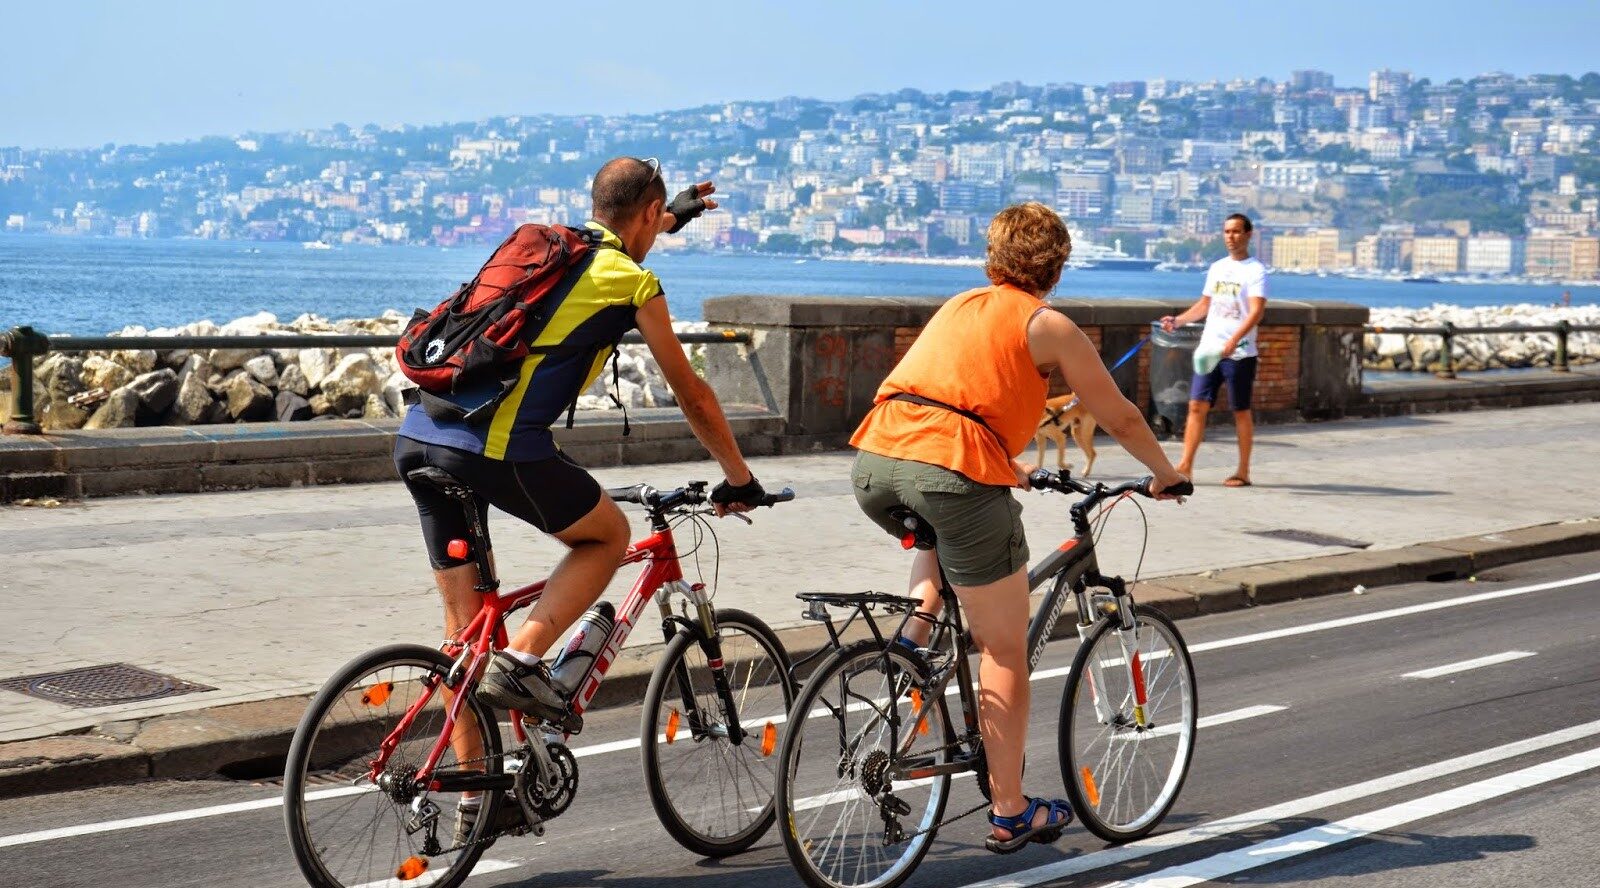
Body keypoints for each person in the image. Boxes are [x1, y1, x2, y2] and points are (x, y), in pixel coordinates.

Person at [393, 157, 769, 840]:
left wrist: (670, 214)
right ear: (649, 215)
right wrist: (739, 476)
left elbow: (617, 236)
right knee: (607, 536)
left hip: (421, 433)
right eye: (659, 221)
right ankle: (527, 659)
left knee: (461, 639)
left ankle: (480, 802)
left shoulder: (552, 249)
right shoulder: (634, 280)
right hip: (493, 445)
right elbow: (691, 391)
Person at [848, 202, 1188, 853]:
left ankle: (912, 649)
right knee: (1003, 647)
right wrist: (1165, 473)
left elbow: (949, 397)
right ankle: (1009, 810)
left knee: (943, 550)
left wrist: (1003, 462)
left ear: (993, 254)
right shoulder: (1048, 324)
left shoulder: (960, 305)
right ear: (1056, 265)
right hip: (951, 474)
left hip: (876, 463)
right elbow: (1118, 416)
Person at [1160, 213, 1268, 488]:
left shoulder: (1255, 270)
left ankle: (1243, 470)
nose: (1230, 237)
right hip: (1208, 350)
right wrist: (1179, 320)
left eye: (1236, 232)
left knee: (1240, 410)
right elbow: (1204, 305)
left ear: (1248, 235)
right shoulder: (1217, 268)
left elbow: (1256, 311)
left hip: (1239, 352)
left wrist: (1235, 339)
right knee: (1196, 405)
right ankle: (1185, 466)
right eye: (1226, 232)